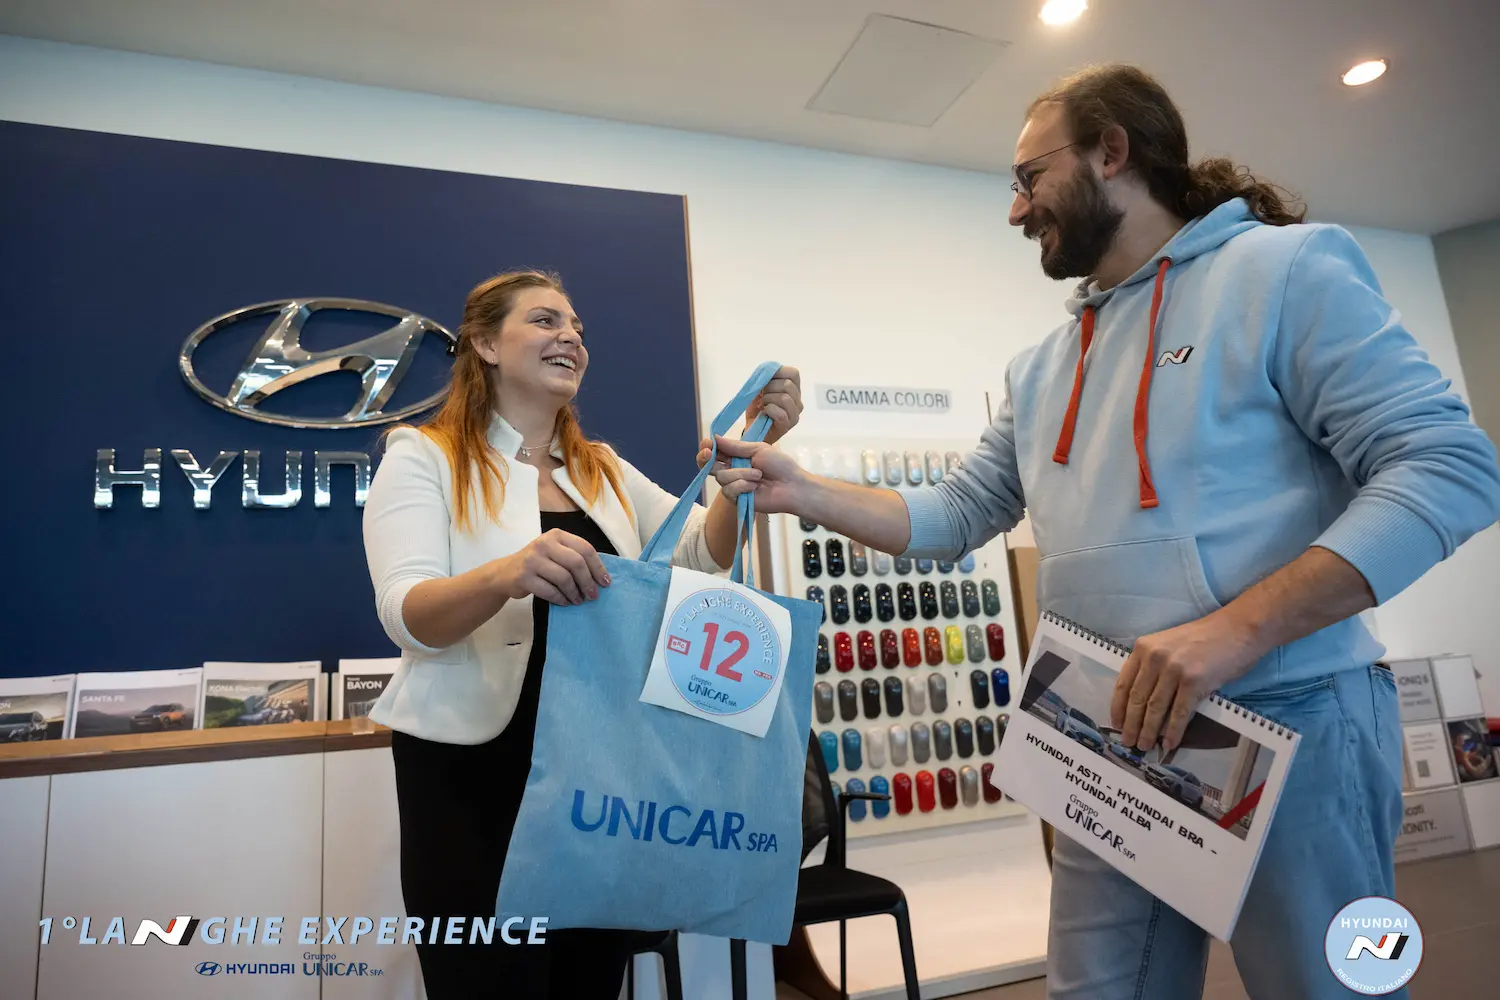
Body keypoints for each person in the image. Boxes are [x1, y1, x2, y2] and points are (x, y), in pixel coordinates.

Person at [705, 65, 1500, 1000]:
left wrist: (1231, 632)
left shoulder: (1288, 270)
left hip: (1292, 717)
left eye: (1028, 178)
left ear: (1111, 151)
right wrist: (803, 491)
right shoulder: (1041, 366)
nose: (1016, 211)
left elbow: (1451, 467)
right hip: (1100, 730)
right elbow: (956, 514)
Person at [361, 270, 802, 999]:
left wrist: (740, 465)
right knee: (482, 983)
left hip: (598, 772)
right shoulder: (425, 456)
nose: (570, 336)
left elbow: (701, 554)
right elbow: (407, 613)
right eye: (545, 321)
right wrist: (508, 573)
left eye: (577, 328)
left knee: (587, 978)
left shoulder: (603, 470)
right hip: (471, 776)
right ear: (484, 344)